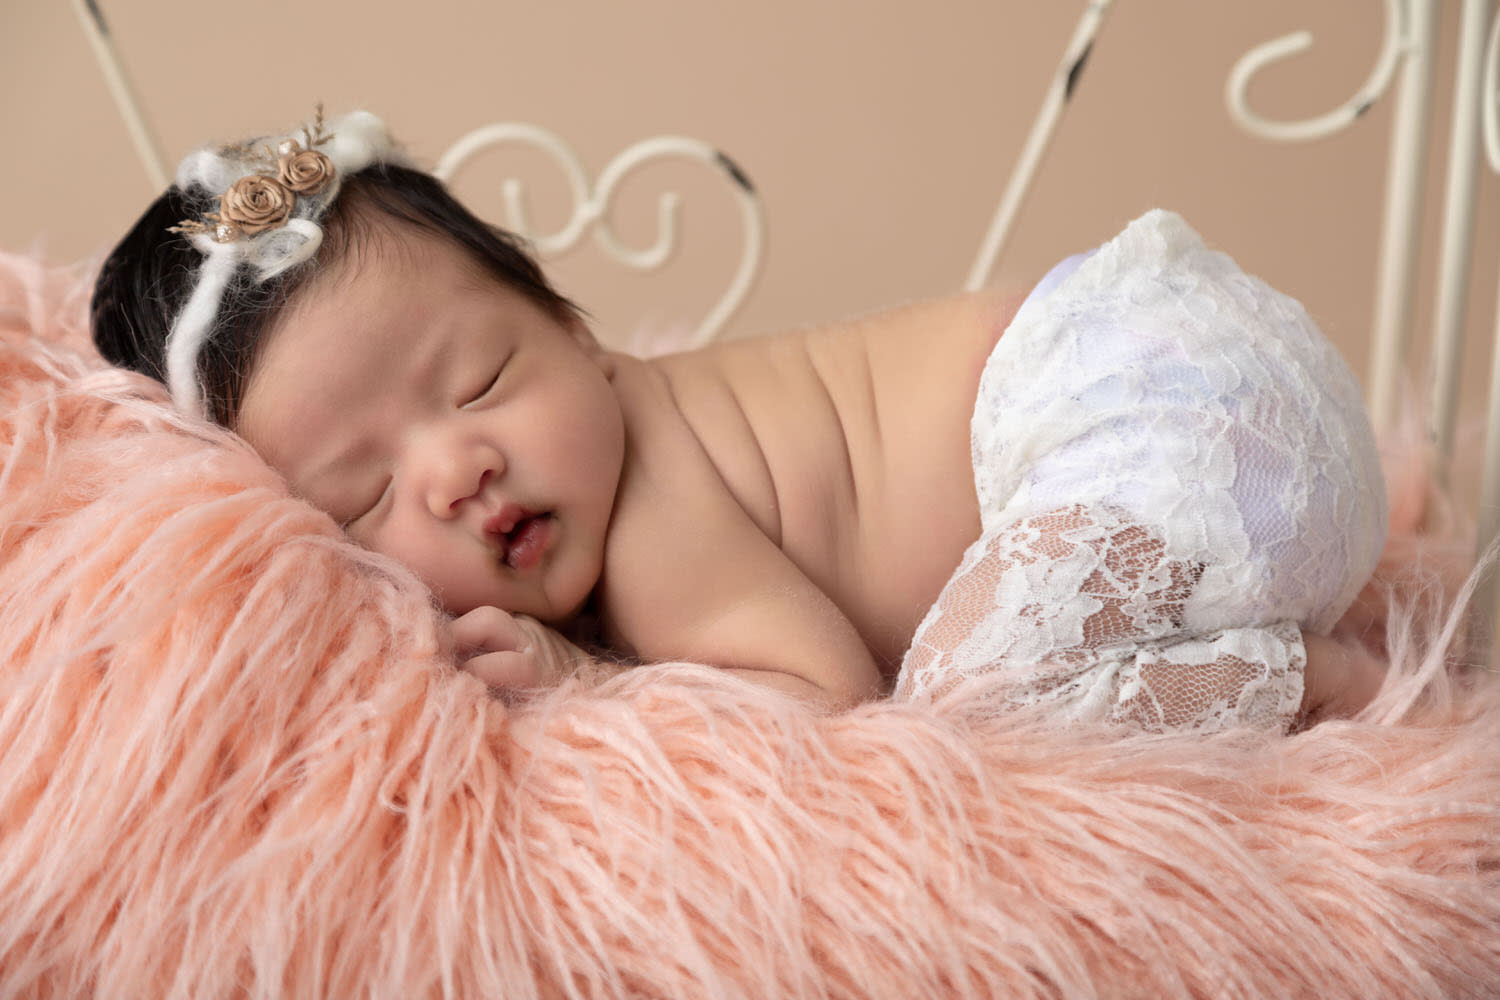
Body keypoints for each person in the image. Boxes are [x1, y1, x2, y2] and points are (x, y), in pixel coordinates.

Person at [91, 109, 1389, 730]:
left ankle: (1300, 688)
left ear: (579, 335)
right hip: (1215, 389)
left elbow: (825, 702)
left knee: (964, 719)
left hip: (1159, 402)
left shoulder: (650, 506)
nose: (457, 464)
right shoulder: (602, 460)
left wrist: (586, 682)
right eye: (364, 495)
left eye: (482, 379)